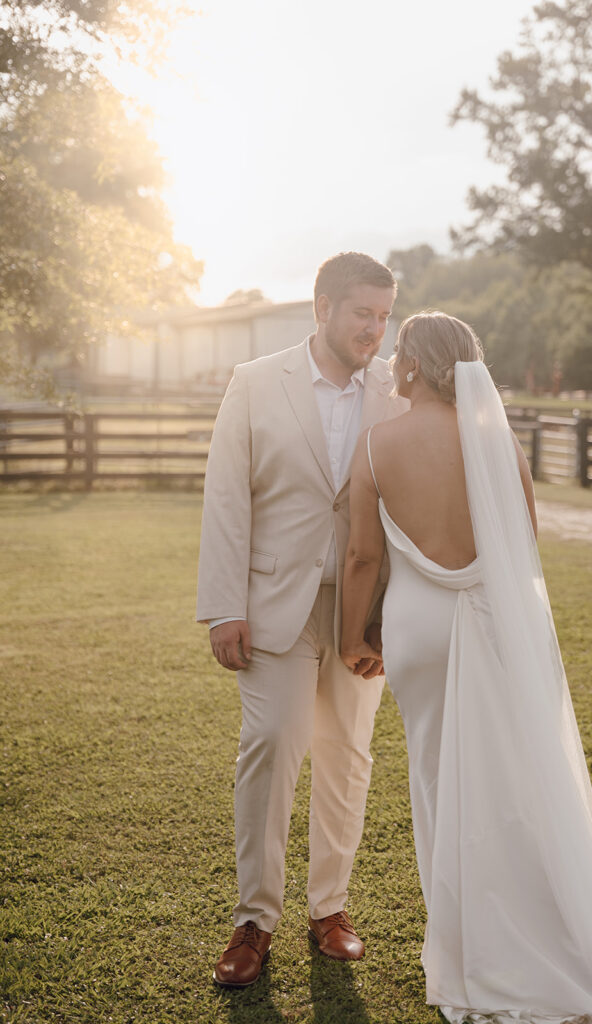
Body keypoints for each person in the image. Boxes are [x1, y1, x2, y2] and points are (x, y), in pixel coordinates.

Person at [341, 312, 592, 1024]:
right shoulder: (497, 442)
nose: (389, 365)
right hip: (499, 624)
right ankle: (528, 937)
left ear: (415, 366)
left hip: (418, 631)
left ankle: (467, 950)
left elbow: (362, 557)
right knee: (511, 782)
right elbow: (524, 550)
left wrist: (356, 634)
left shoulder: (378, 445)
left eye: (398, 355)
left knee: (439, 783)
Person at [196, 252, 407, 988]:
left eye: (384, 317)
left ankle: (331, 910)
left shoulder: (396, 390)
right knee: (272, 745)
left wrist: (390, 614)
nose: (375, 332)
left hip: (360, 611)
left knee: (348, 756)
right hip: (270, 605)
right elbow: (226, 497)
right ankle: (254, 919)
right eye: (362, 315)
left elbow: (405, 501)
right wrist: (224, 606)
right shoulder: (256, 383)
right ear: (323, 308)